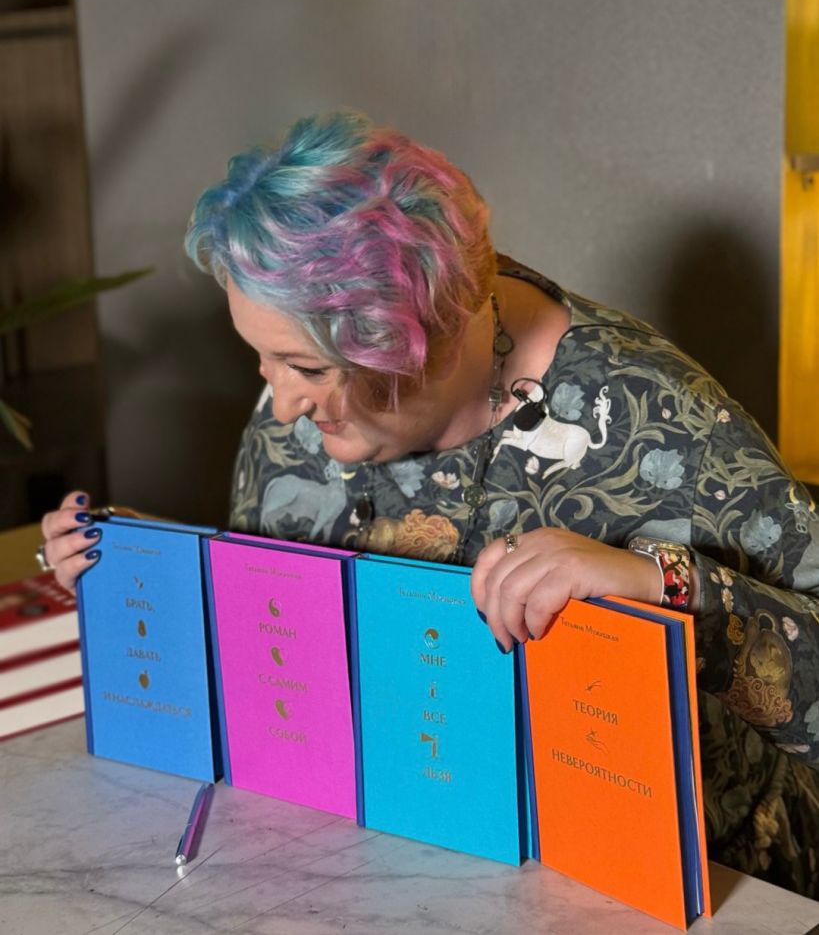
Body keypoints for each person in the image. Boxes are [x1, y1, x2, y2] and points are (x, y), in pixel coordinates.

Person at [40, 111, 819, 897]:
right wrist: (145, 572)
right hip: (384, 864)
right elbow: (278, 658)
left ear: (426, 341)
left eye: (305, 368)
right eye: (262, 359)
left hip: (681, 885)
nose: (279, 404)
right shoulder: (300, 403)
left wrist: (667, 585)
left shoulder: (662, 423)